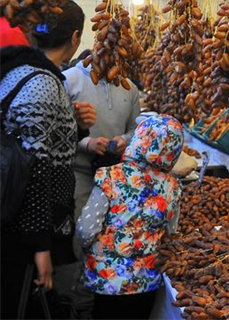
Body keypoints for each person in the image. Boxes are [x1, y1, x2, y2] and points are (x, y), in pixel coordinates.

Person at [0, 0, 96, 319]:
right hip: (18, 231)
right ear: (76, 38)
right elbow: (38, 166)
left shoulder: (19, 71)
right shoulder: (43, 83)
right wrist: (41, 247)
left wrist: (74, 122)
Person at [76, 115, 183, 320]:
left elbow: (86, 229)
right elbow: (171, 234)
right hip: (147, 281)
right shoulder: (173, 187)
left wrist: (87, 248)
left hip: (108, 279)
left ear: (140, 138)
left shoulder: (111, 176)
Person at [63, 55, 141, 318]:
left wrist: (123, 140)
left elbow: (135, 130)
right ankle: (80, 301)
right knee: (82, 236)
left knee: (109, 241)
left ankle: (100, 302)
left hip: (116, 176)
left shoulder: (129, 87)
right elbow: (58, 132)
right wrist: (86, 143)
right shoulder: (71, 79)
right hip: (81, 173)